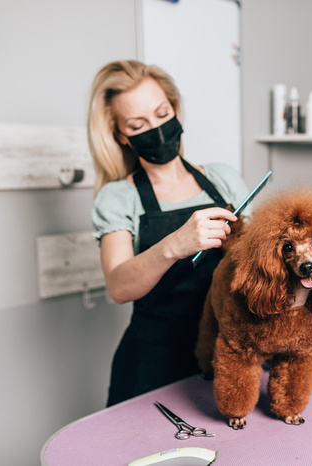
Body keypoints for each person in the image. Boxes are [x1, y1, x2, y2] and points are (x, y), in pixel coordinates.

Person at [88, 60, 250, 406]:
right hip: (152, 363)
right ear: (121, 135)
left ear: (175, 110)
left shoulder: (223, 179)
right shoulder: (118, 197)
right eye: (137, 124)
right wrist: (175, 244)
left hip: (225, 349)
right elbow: (118, 287)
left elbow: (251, 261)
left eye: (162, 114)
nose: (157, 129)